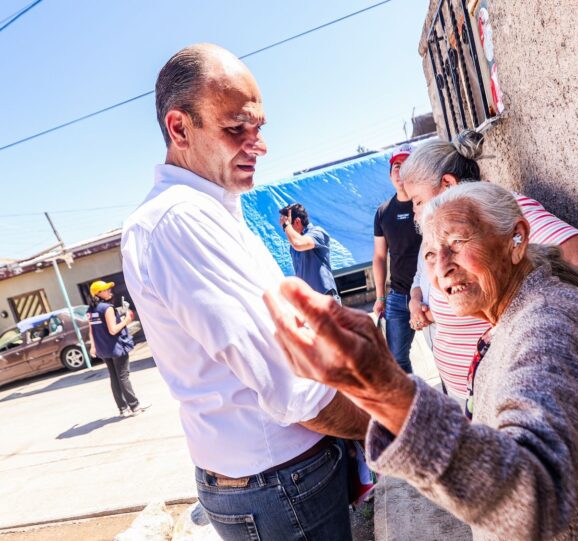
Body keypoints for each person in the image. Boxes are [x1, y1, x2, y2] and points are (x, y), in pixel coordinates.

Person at [264, 182, 578, 540]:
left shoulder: (547, 324)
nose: (442, 268)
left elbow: (531, 500)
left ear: (516, 240)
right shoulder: (513, 316)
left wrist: (383, 387)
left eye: (458, 243)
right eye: (430, 254)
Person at [121, 44, 368, 541]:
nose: (258, 145)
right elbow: (294, 388)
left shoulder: (209, 208)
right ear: (179, 127)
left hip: (281, 480)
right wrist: (392, 422)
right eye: (237, 128)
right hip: (281, 485)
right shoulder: (180, 221)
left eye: (259, 128)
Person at [401, 129, 578, 398]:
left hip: (509, 388)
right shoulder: (448, 230)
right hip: (474, 390)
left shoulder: (498, 210)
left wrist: (545, 328)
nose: (415, 212)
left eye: (418, 201)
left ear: (447, 184)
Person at [373, 143, 421, 373]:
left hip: (431, 294)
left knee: (443, 352)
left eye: (407, 166)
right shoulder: (383, 212)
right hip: (398, 297)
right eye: (396, 166)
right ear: (390, 173)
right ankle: (415, 406)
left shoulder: (425, 202)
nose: (401, 172)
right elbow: (380, 257)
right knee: (397, 361)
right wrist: (380, 297)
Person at [86, 280, 146, 417]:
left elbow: (91, 330)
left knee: (114, 377)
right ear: (98, 293)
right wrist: (127, 320)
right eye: (106, 289)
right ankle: (135, 407)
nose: (109, 291)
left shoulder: (91, 310)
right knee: (123, 376)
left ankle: (123, 409)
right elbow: (113, 330)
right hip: (116, 347)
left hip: (104, 349)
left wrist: (93, 347)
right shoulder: (107, 308)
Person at [279, 203, 340, 304]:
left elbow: (298, 243)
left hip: (325, 299)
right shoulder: (293, 246)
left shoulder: (317, 233)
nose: (285, 231)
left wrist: (286, 225)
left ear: (297, 222)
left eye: (286, 226)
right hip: (308, 302)